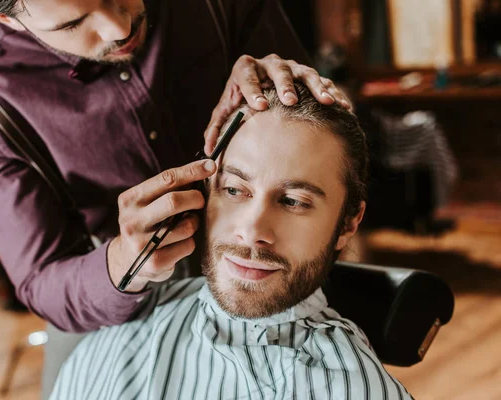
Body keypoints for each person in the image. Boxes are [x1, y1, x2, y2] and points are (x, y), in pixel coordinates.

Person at [0, 0, 348, 333]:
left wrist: (278, 90)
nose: (120, 26)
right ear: (3, 16)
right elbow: (41, 278)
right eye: (73, 24)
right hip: (112, 304)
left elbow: (329, 142)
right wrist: (125, 260)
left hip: (281, 266)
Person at [49, 83, 413, 400]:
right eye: (235, 189)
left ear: (349, 223)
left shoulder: (350, 388)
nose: (252, 230)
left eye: (294, 201)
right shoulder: (125, 325)